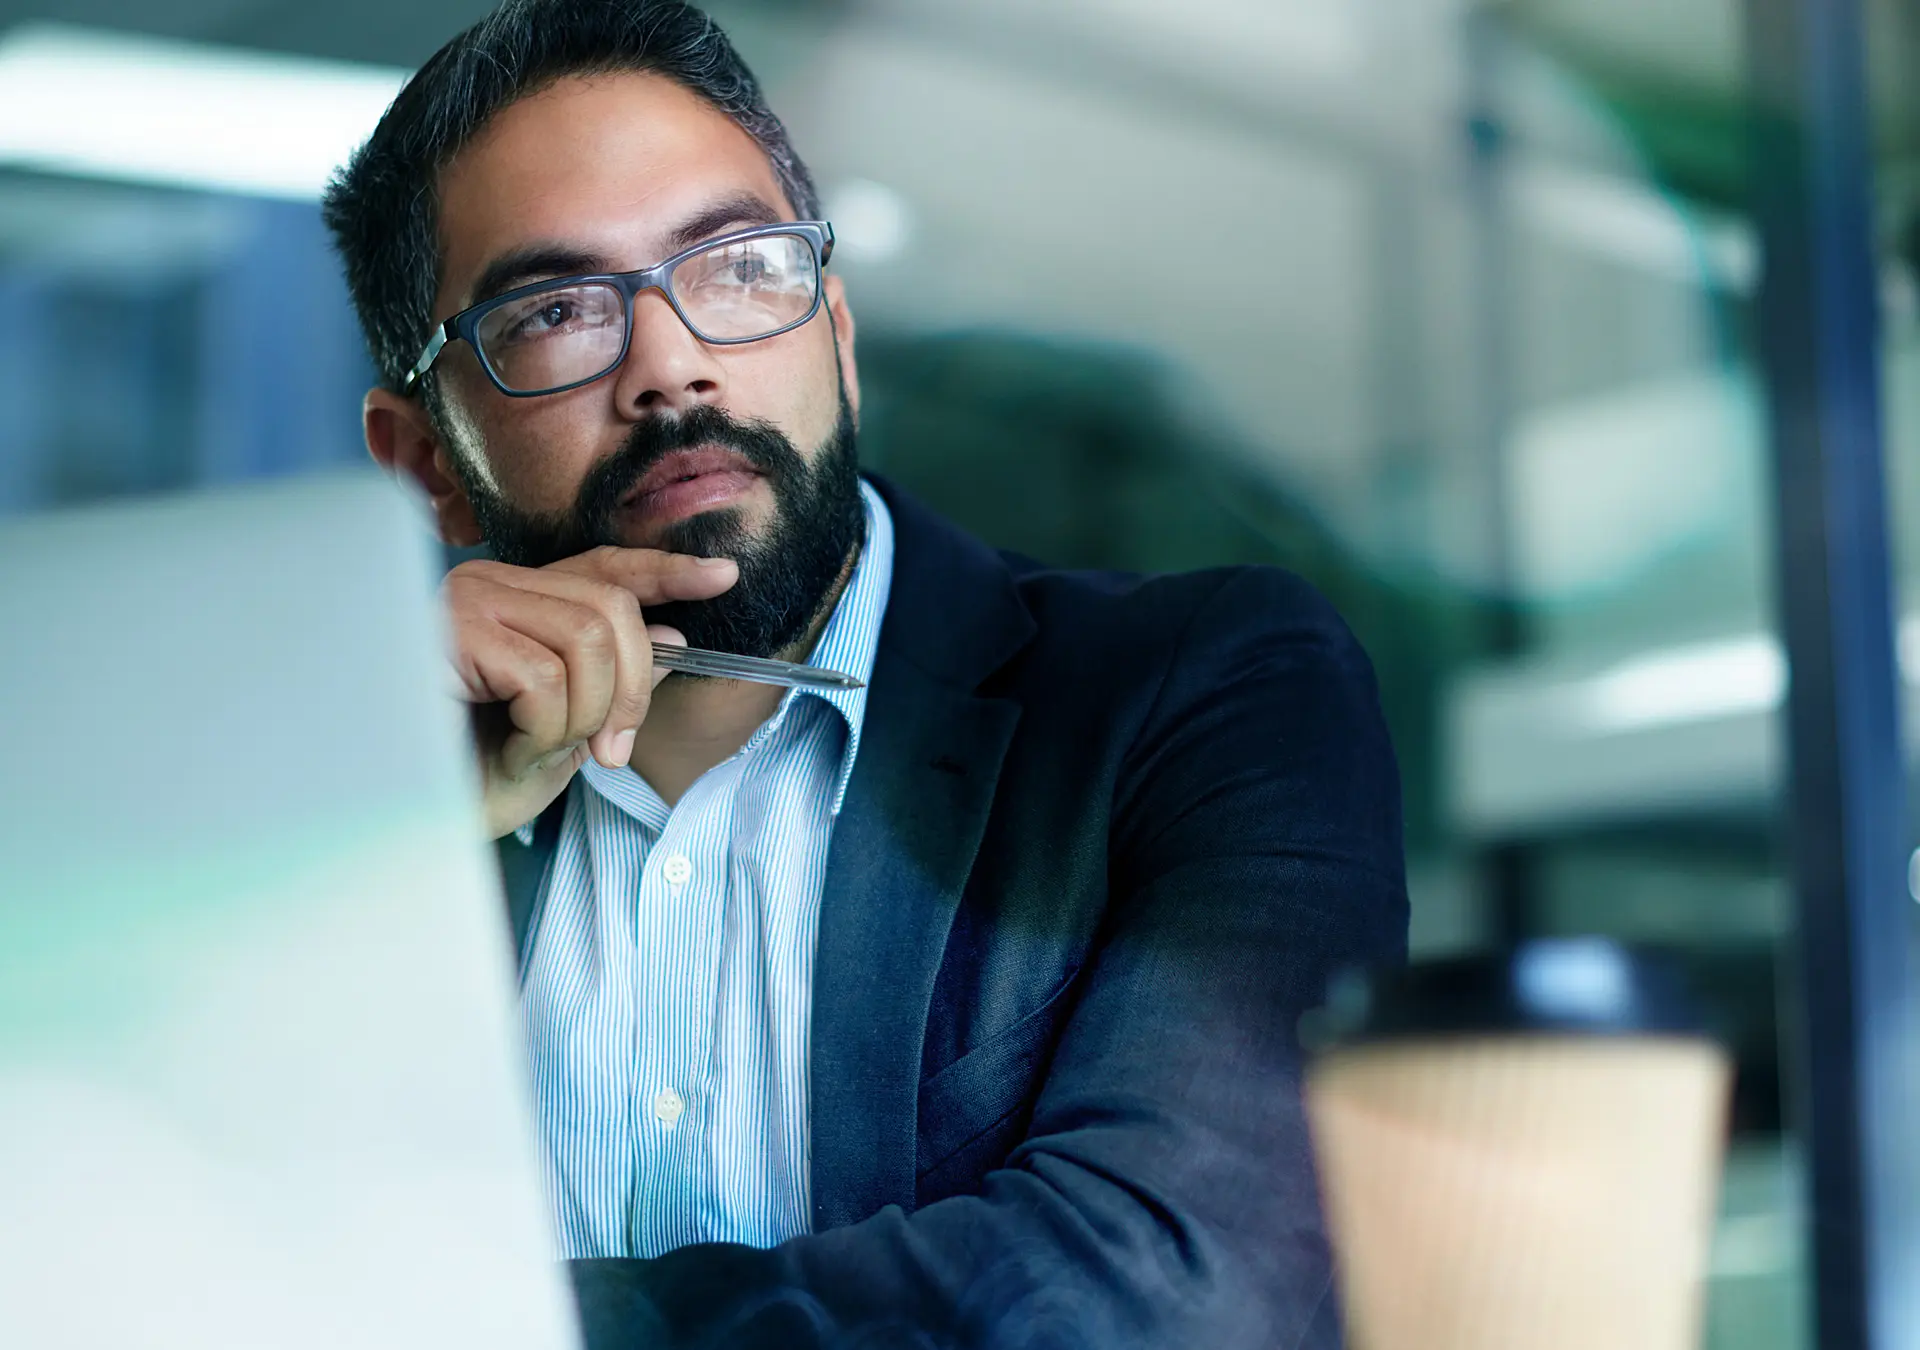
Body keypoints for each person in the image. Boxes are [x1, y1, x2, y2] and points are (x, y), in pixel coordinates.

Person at [322, 2, 1408, 1345]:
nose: (673, 365)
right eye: (555, 309)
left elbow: (1178, 1293)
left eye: (736, 264)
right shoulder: (350, 821)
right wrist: (382, 845)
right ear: (425, 463)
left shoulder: (1205, 696)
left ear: (834, 330)